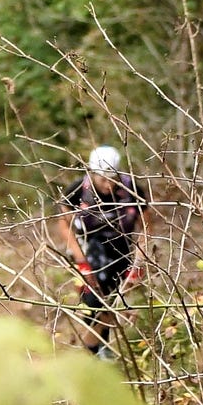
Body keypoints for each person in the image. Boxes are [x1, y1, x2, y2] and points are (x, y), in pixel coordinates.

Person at [55, 144, 148, 356]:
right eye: (102, 179)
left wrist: (139, 263)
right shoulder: (78, 190)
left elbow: (147, 227)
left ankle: (99, 349)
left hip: (122, 252)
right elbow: (63, 223)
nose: (107, 184)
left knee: (114, 300)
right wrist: (81, 262)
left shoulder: (132, 189)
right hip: (89, 251)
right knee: (93, 301)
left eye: (112, 178)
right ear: (92, 174)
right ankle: (93, 352)